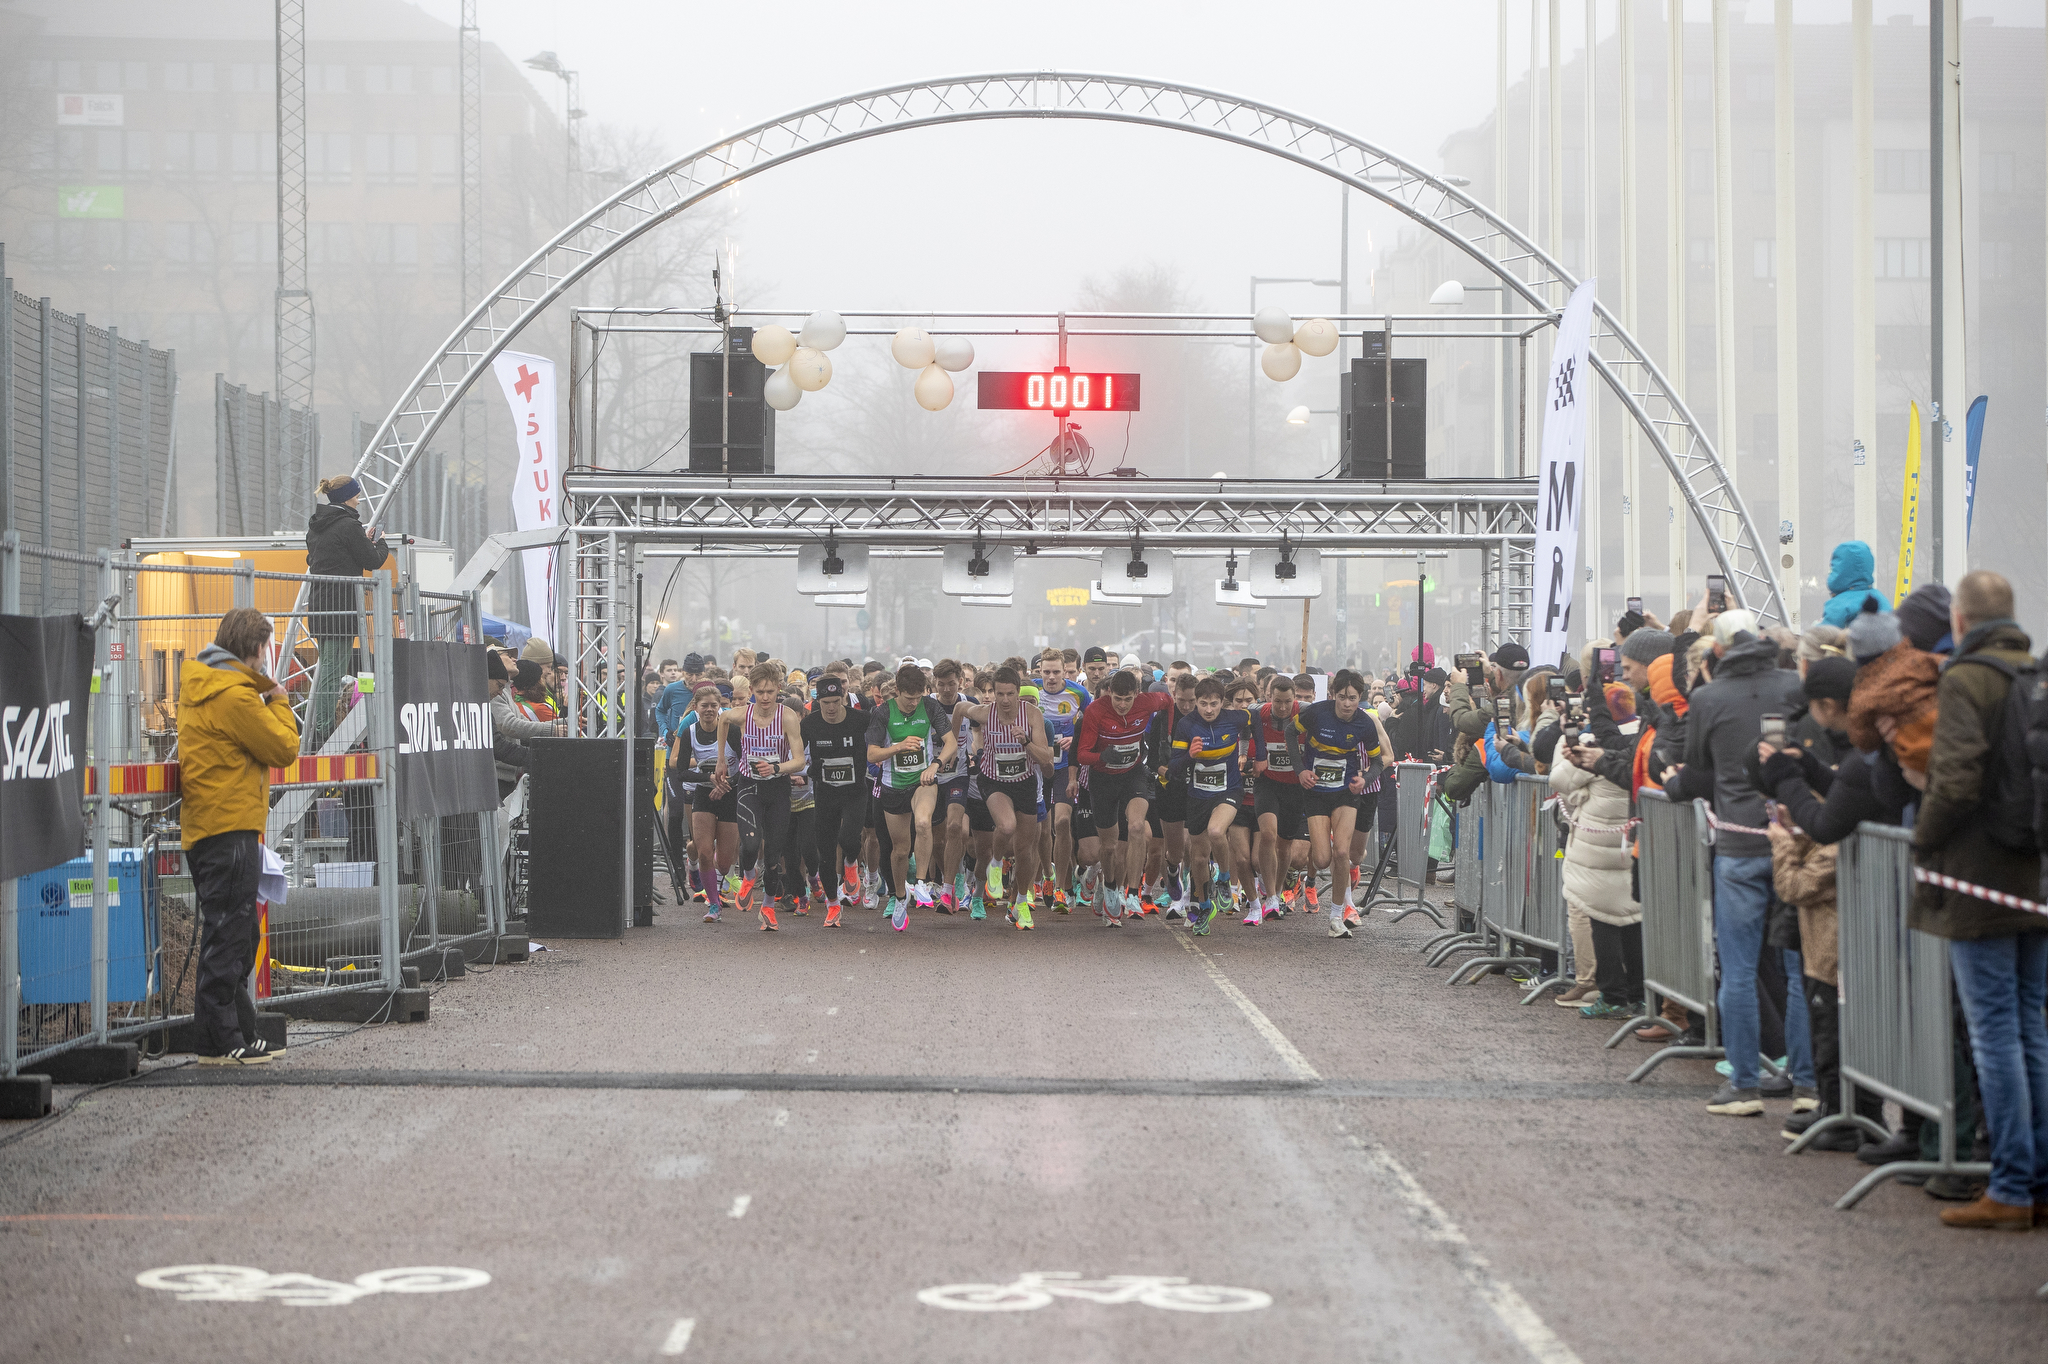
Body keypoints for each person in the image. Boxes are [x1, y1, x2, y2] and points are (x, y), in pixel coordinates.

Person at [1907, 571, 2048, 1230]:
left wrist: (1924, 839)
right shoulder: (2036, 676)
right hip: (2034, 876)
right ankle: (2037, 1182)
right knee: (2031, 1031)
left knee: (1993, 1036)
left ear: (1960, 621)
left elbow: (1957, 778)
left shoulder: (1967, 679)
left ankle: (2011, 1187)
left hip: (1978, 878)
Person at [1665, 609, 1814, 1117]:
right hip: (1792, 838)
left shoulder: (1708, 697)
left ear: (1719, 650)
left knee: (1740, 970)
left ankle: (1744, 1084)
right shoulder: (1793, 686)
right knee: (1799, 970)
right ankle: (1806, 1081)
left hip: (1738, 846)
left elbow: (1697, 767)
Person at [178, 608, 304, 1064]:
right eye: (264, 651)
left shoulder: (205, 686)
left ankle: (237, 1032)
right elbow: (284, 747)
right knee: (231, 938)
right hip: (229, 830)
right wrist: (279, 698)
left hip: (211, 829)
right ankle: (222, 1041)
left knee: (237, 934)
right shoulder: (234, 695)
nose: (266, 660)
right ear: (253, 650)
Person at [953, 666, 1056, 929]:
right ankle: (996, 864)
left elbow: (1047, 759)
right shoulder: (985, 713)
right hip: (993, 780)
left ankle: (1020, 902)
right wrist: (954, 745)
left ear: (1018, 693)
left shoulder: (1031, 715)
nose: (1005, 700)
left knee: (1025, 850)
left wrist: (1026, 742)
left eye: (1010, 694)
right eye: (1000, 694)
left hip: (1024, 783)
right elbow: (960, 709)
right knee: (1007, 825)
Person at [1283, 669, 1382, 938]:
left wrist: (1365, 779)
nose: (1347, 704)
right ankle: (1307, 880)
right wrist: (1300, 770)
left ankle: (1336, 916)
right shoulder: (1316, 713)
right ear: (1332, 695)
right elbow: (1290, 733)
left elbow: (1378, 761)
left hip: (1345, 792)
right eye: (1342, 697)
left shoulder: (1365, 723)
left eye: (1352, 698)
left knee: (1341, 853)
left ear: (1360, 697)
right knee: (1322, 859)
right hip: (1316, 792)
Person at [712, 662, 807, 932]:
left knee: (774, 854)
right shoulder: (743, 714)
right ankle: (749, 874)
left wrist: (776, 768)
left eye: (770, 692)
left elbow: (799, 760)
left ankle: (767, 907)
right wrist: (721, 758)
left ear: (779, 689)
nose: (765, 698)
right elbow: (723, 719)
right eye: (760, 692)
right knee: (751, 844)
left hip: (777, 788)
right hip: (749, 785)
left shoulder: (787, 717)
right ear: (752, 690)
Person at [1074, 669, 1175, 922]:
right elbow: (1082, 754)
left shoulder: (1147, 702)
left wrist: (1167, 737)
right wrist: (1101, 756)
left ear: (1137, 694)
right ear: (1109, 693)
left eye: (1127, 699)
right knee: (1108, 847)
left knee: (1137, 827)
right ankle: (1109, 886)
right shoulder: (1096, 711)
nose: (1122, 705)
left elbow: (1169, 701)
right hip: (1103, 779)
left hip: (1132, 774)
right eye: (1117, 698)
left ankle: (1131, 892)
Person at [866, 664, 959, 930]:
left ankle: (920, 883)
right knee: (899, 851)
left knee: (922, 822)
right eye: (909, 698)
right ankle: (899, 897)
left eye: (918, 697)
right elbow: (872, 754)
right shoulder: (883, 712)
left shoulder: (929, 707)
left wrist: (935, 765)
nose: (913, 703)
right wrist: (898, 747)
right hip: (893, 786)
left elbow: (951, 743)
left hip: (923, 781)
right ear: (897, 691)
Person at [304, 475, 392, 748]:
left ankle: (319, 728)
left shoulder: (317, 526)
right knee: (334, 670)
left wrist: (359, 542)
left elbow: (316, 559)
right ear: (347, 497)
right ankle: (324, 731)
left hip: (320, 606)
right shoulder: (348, 526)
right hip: (342, 607)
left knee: (327, 669)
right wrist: (380, 542)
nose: (359, 500)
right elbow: (372, 560)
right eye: (356, 495)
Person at [1169, 676, 1261, 933]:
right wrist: (1190, 755)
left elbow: (1256, 720)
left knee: (1216, 831)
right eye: (1203, 704)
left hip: (1228, 790)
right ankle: (1204, 906)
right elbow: (1174, 767)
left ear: (1223, 702)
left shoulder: (1235, 718)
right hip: (1198, 795)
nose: (1208, 710)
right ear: (1196, 702)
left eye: (1214, 704)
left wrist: (1259, 756)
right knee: (1198, 859)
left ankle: (1224, 878)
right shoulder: (1187, 725)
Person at [801, 675, 869, 928]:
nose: (830, 708)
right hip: (825, 793)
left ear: (843, 698)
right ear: (817, 702)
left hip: (855, 791)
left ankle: (851, 861)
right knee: (826, 853)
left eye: (835, 702)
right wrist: (808, 770)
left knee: (849, 837)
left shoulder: (860, 719)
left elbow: (880, 740)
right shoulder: (810, 724)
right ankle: (832, 904)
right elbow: (796, 755)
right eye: (825, 703)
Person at [1819, 539, 1889, 626]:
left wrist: (1815, 627)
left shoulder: (1839, 605)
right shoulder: (1881, 599)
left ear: (1838, 570)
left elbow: (1825, 632)